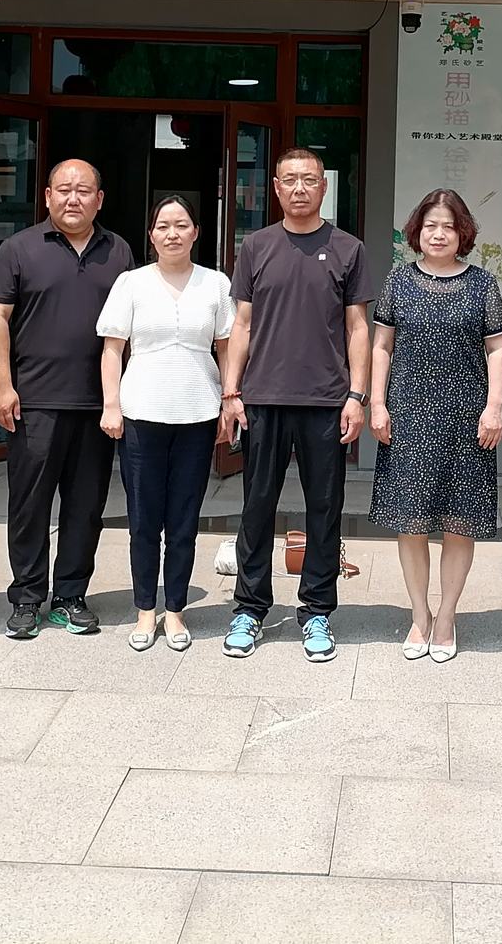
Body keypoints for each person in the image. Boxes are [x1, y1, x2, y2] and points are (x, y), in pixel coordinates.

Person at [218, 147, 374, 662]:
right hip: (262, 397)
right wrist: (231, 392)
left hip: (327, 400)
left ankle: (317, 612)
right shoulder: (256, 245)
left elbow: (357, 328)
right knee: (256, 506)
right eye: (290, 180)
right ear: (276, 188)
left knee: (325, 508)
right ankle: (250, 608)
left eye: (309, 179)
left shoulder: (348, 248)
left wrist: (356, 395)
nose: (300, 188)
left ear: (324, 186)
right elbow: (242, 325)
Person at [0, 160, 133, 640]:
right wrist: (3, 385)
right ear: (47, 195)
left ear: (99, 199)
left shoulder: (119, 251)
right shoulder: (19, 248)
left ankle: (71, 595)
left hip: (96, 405)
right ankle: (27, 597)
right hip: (34, 402)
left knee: (85, 506)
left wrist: (122, 396)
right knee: (29, 505)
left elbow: (129, 329)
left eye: (84, 190)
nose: (74, 198)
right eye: (64, 189)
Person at [369, 189, 502, 663]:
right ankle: (419, 615)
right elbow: (382, 345)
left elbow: (497, 349)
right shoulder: (398, 280)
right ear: (417, 231)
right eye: (431, 225)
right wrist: (377, 403)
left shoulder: (482, 284)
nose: (439, 233)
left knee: (459, 522)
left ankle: (446, 616)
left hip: (468, 419)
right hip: (408, 414)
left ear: (462, 232)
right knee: (410, 521)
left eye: (449, 225)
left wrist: (494, 407)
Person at [97, 195, 233, 652]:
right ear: (151, 235)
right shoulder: (131, 282)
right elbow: (112, 349)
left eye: (181, 225)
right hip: (141, 414)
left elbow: (226, 347)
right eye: (163, 226)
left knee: (183, 520)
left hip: (197, 413)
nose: (172, 233)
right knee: (143, 519)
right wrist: (111, 405)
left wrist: (229, 401)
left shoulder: (215, 284)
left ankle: (174, 610)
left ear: (196, 232)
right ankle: (144, 610)